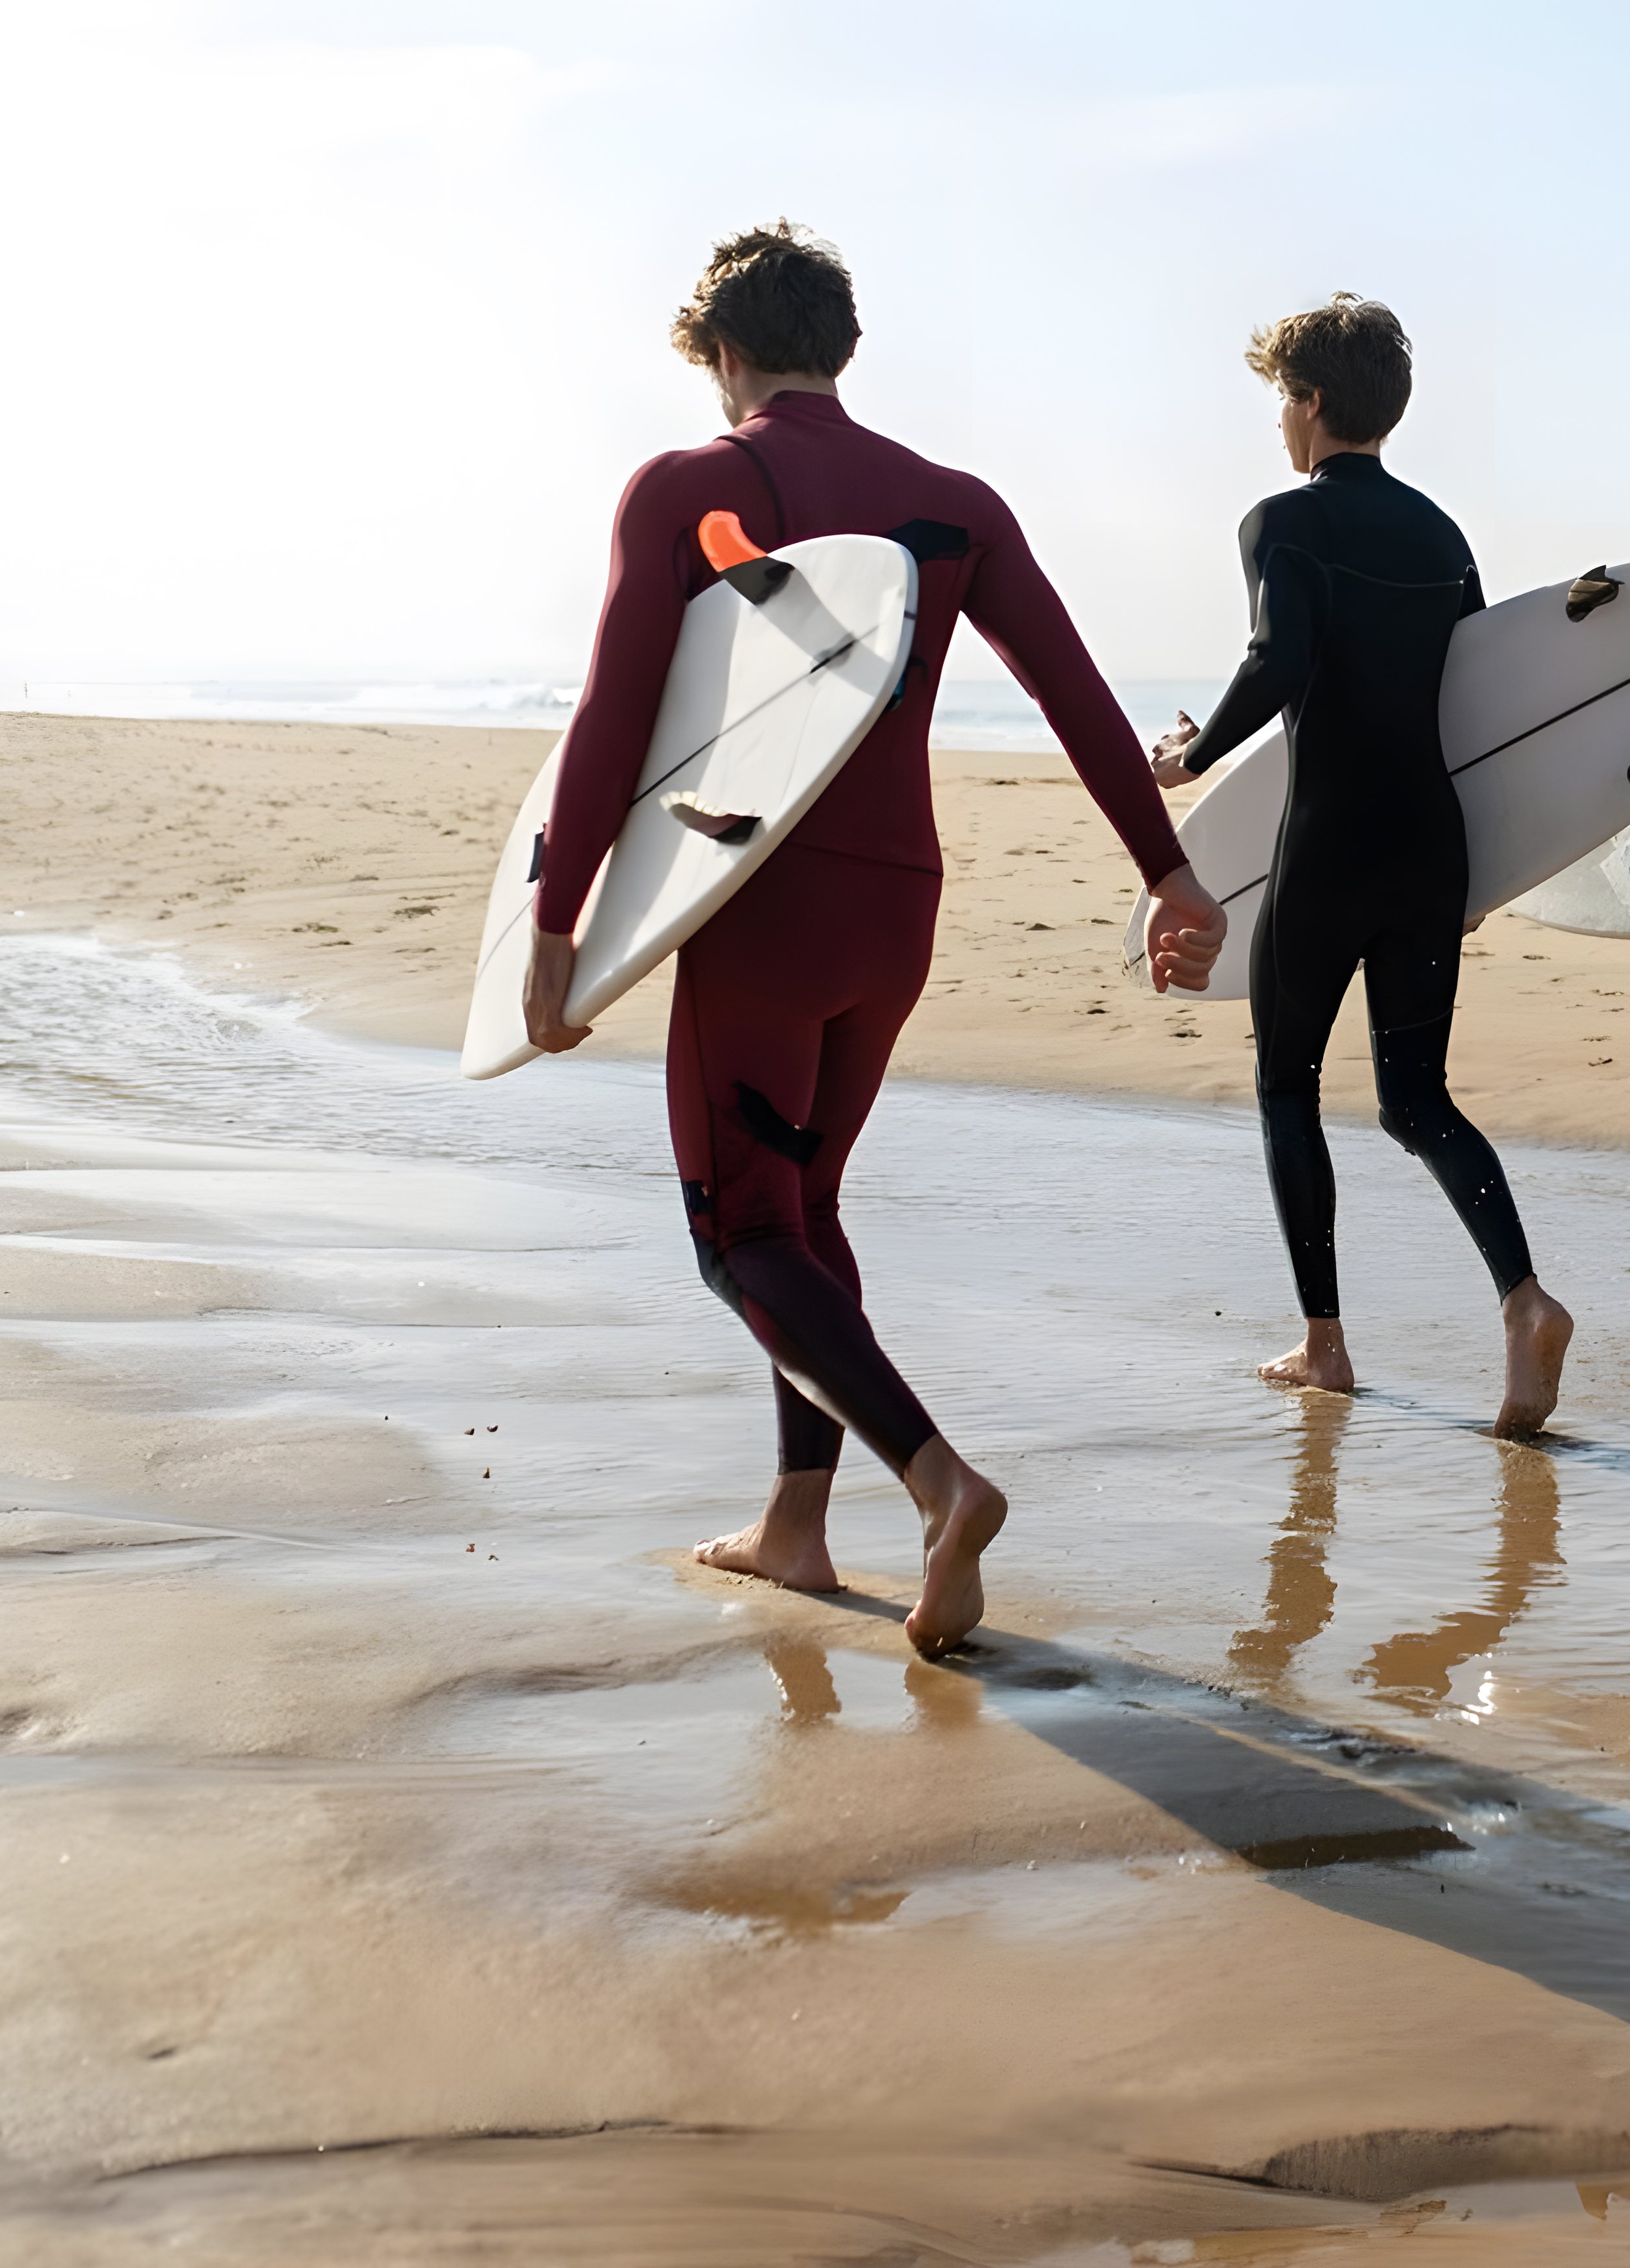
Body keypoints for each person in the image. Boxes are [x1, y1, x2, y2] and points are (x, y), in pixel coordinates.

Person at [525, 222, 1226, 1651]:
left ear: (721, 353)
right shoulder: (956, 502)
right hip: (896, 895)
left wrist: (557, 921)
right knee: (808, 1210)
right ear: (839, 348)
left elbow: (613, 717)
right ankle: (794, 1527)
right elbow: (1074, 694)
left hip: (762, 893)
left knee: (738, 1237)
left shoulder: (690, 485)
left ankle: (937, 1483)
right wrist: (1168, 873)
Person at [1149, 295, 1571, 1434]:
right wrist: (1490, 871)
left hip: (1330, 842)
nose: (1279, 423)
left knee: (1289, 1085)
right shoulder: (1442, 535)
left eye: (1282, 398)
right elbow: (1487, 703)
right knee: (1416, 1097)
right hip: (1433, 843)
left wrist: (1192, 755)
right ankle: (1523, 1301)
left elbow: (1278, 654)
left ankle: (1324, 1346)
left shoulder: (1281, 521)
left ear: (1313, 401)